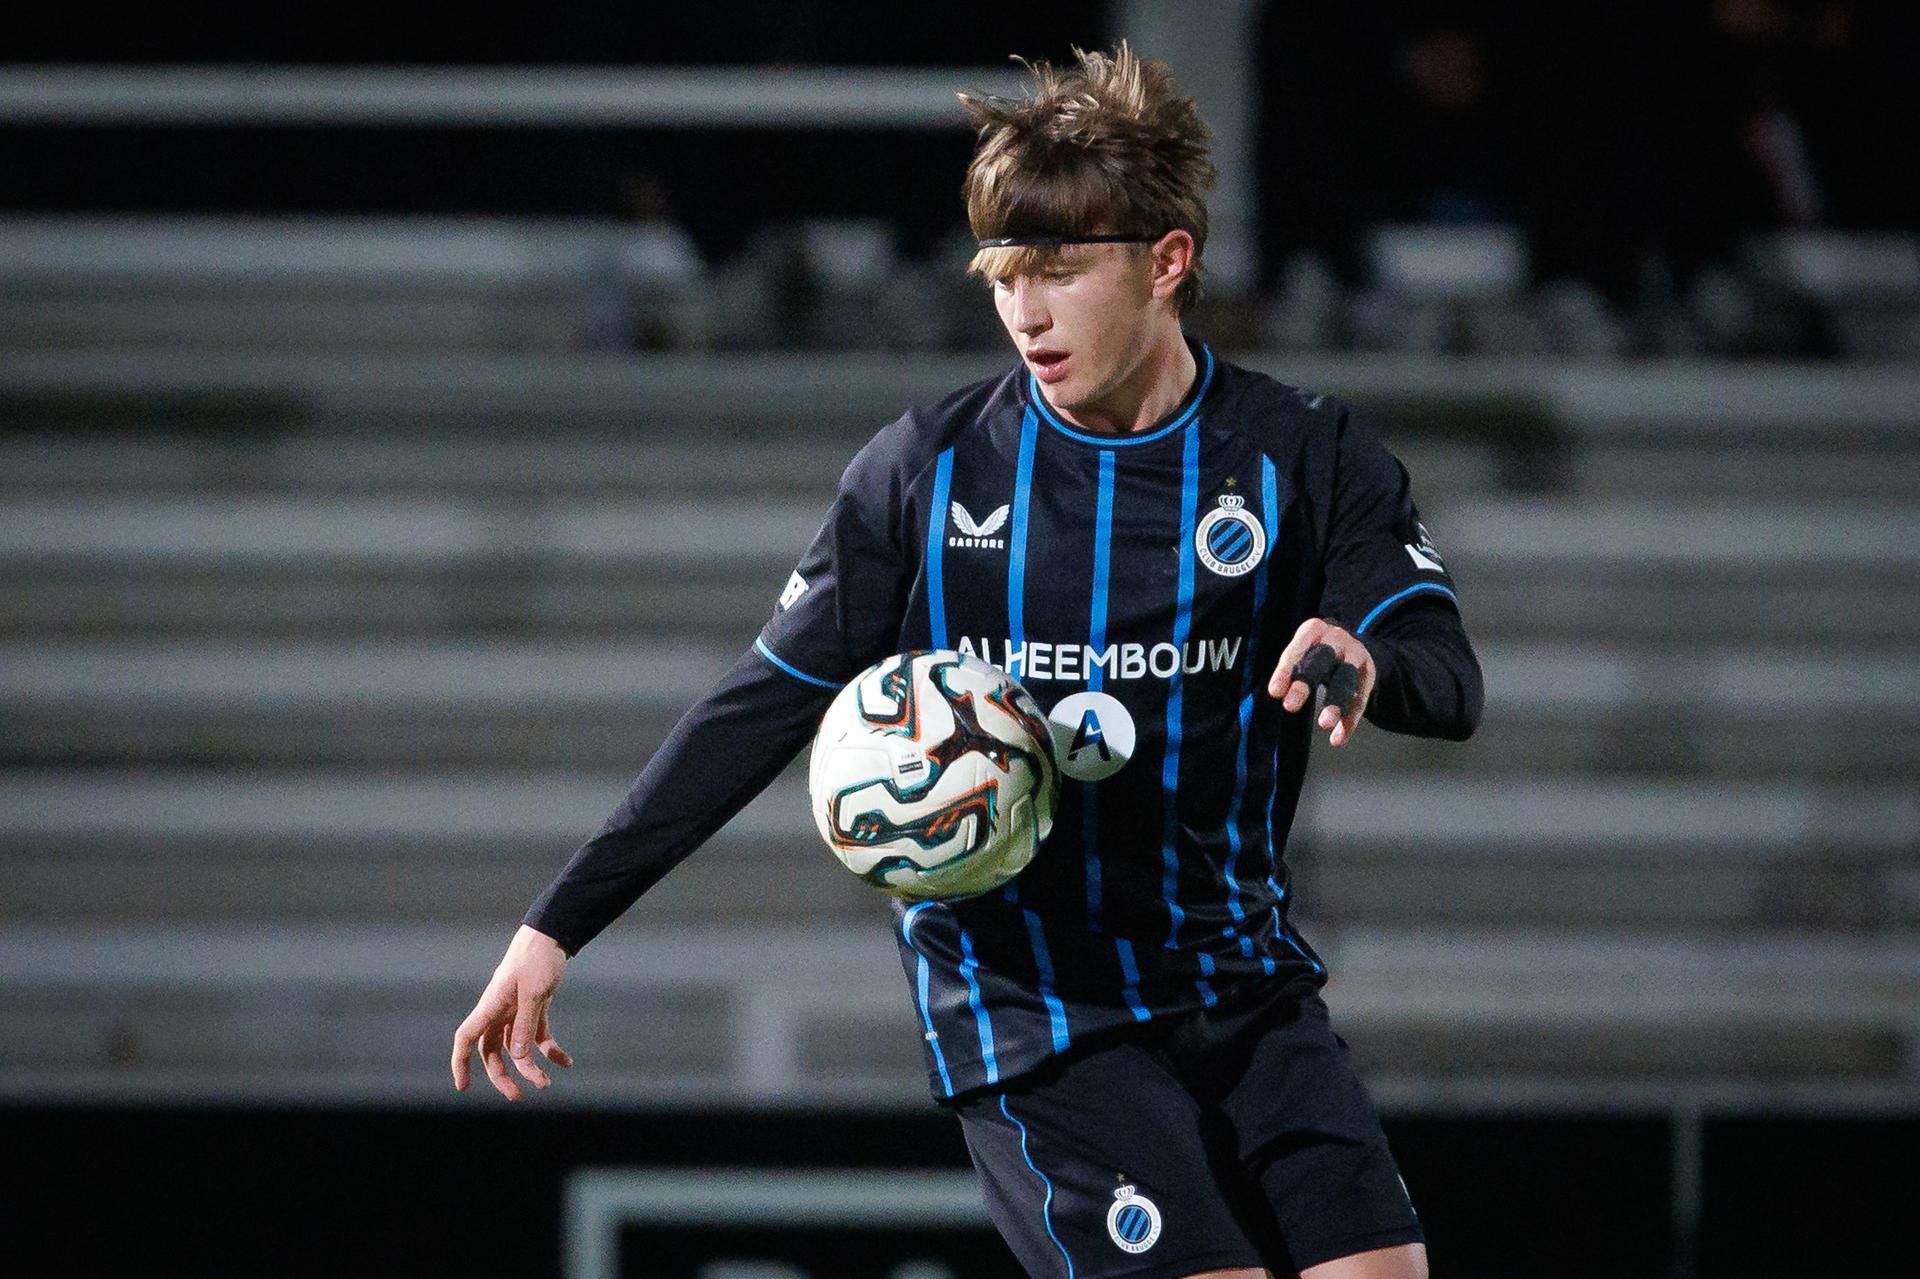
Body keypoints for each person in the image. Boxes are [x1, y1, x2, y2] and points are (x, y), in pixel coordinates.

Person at [453, 41, 1482, 1279]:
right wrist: (556, 923)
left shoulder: (1300, 457)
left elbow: (1447, 670)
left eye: (1060, 270)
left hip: (1246, 990)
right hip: (1042, 1024)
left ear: (1167, 262)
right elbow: (761, 703)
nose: (1024, 311)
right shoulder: (927, 476)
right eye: (1003, 272)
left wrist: (1368, 657)